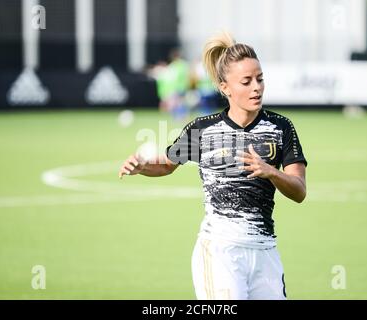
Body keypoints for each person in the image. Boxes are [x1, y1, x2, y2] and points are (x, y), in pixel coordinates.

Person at [118, 32, 307, 300]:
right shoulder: (202, 129)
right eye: (247, 81)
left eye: (260, 79)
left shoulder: (281, 127)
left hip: (265, 253)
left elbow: (299, 191)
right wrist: (142, 166)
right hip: (220, 252)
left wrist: (272, 172)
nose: (257, 87)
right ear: (225, 87)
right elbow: (167, 165)